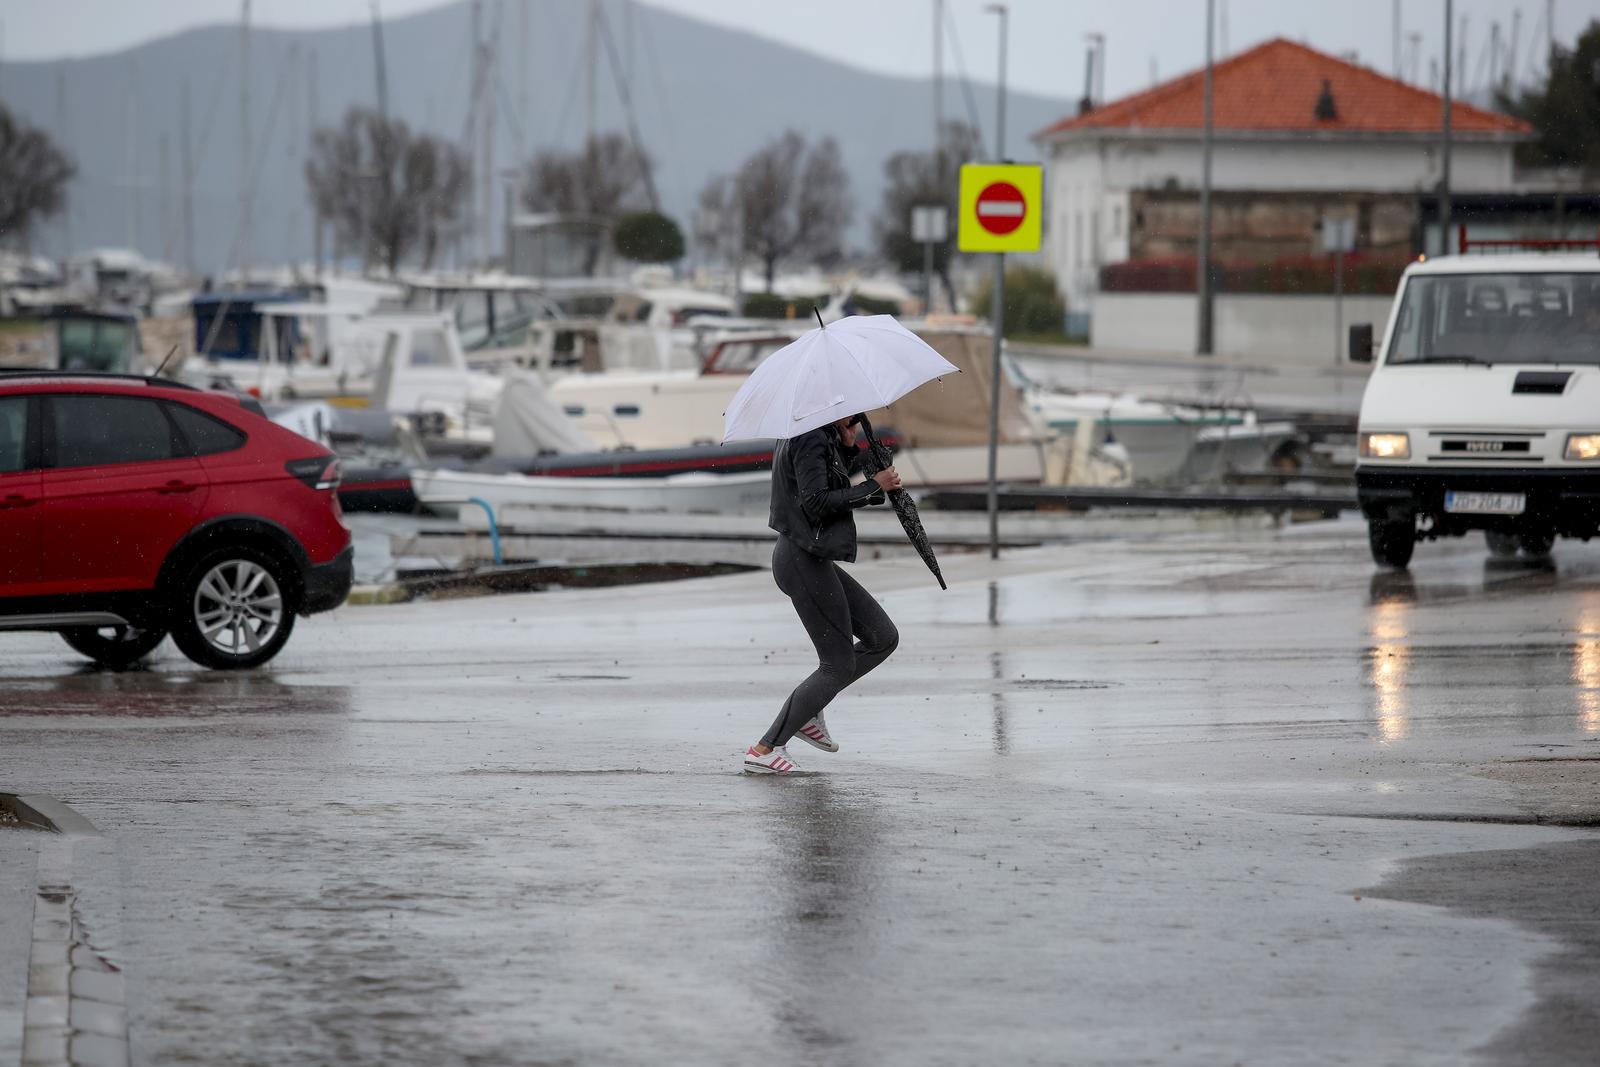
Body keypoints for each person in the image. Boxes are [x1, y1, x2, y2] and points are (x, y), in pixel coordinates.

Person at [742, 414, 902, 774]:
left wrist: (847, 447)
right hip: (802, 559)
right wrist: (874, 486)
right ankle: (765, 749)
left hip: (810, 557)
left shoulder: (814, 433)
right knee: (837, 664)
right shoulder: (809, 435)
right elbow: (815, 502)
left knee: (882, 637)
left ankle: (807, 710)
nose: (860, 414)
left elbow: (819, 482)